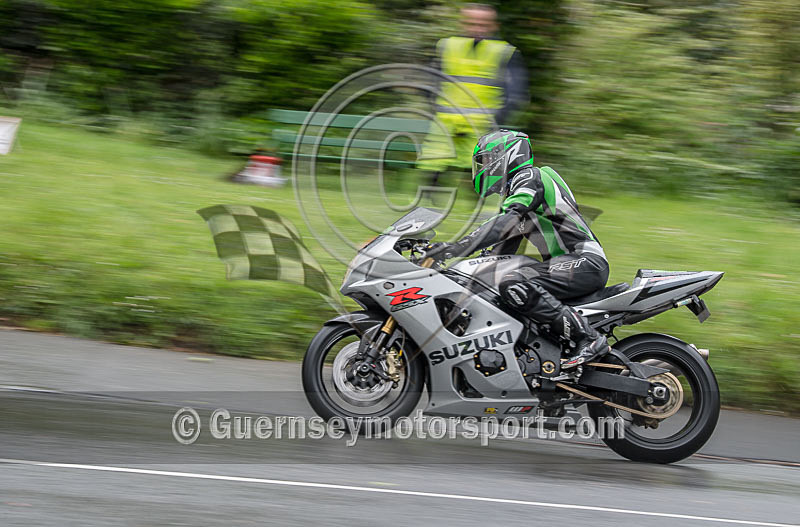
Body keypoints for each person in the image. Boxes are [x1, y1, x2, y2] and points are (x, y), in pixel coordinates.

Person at [425, 129, 610, 369]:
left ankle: (589, 339)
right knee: (493, 287)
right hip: (567, 264)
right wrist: (451, 272)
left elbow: (504, 222)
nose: (484, 167)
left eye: (488, 160)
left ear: (507, 156)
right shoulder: (519, 196)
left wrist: (454, 248)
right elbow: (497, 251)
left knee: (514, 282)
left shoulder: (530, 178)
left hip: (584, 261)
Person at [419, 3, 529, 186]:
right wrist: (434, 106)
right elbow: (431, 82)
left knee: (483, 180)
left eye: (483, 24)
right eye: (471, 23)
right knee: (432, 170)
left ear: (494, 26)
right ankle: (429, 205)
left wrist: (497, 118)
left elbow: (516, 93)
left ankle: (478, 209)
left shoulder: (505, 52)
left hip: (482, 126)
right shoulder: (446, 46)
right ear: (462, 23)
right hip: (445, 123)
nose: (477, 28)